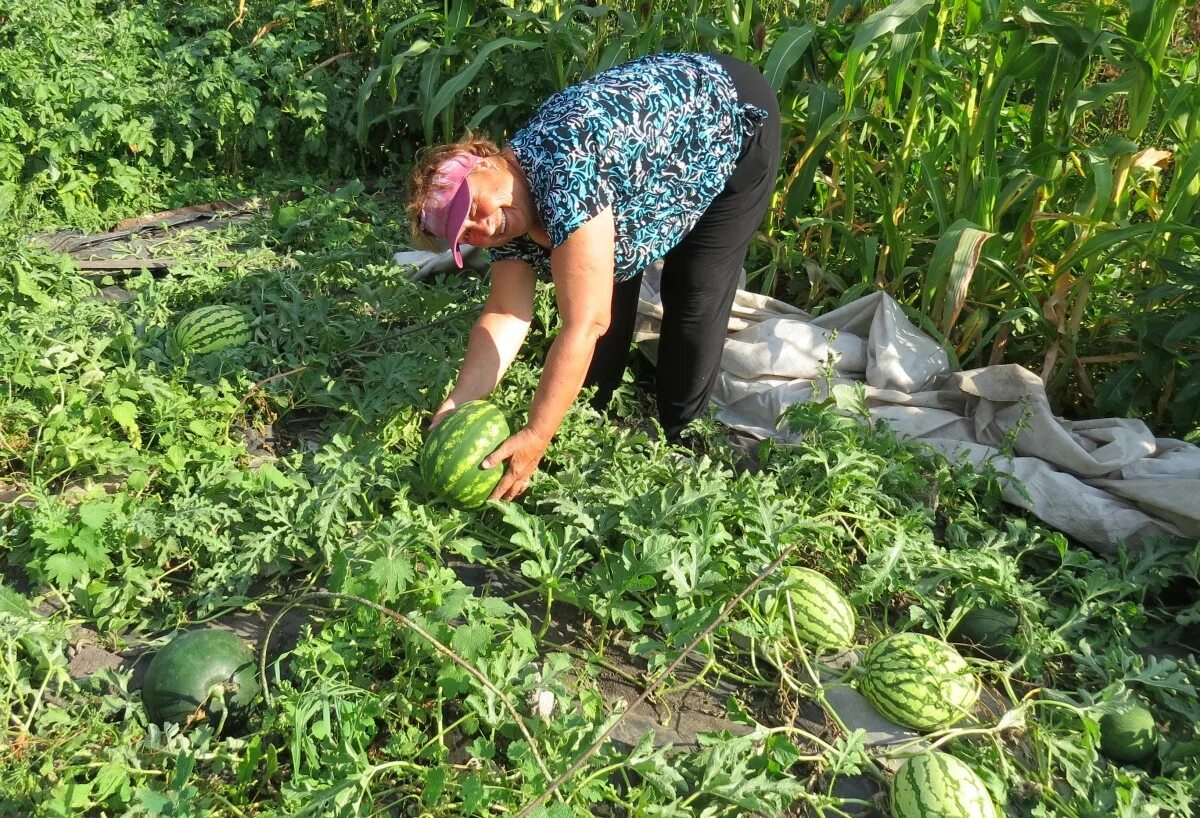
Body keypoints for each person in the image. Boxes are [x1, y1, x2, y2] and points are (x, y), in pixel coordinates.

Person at [407, 52, 780, 502]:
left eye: (472, 209)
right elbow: (507, 312)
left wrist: (537, 433)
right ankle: (593, 412)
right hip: (640, 157)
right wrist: (461, 398)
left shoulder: (564, 173)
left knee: (693, 293)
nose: (480, 229)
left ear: (484, 163)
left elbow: (587, 323)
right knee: (596, 282)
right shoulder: (510, 207)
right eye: (463, 233)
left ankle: (685, 437)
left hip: (729, 114)